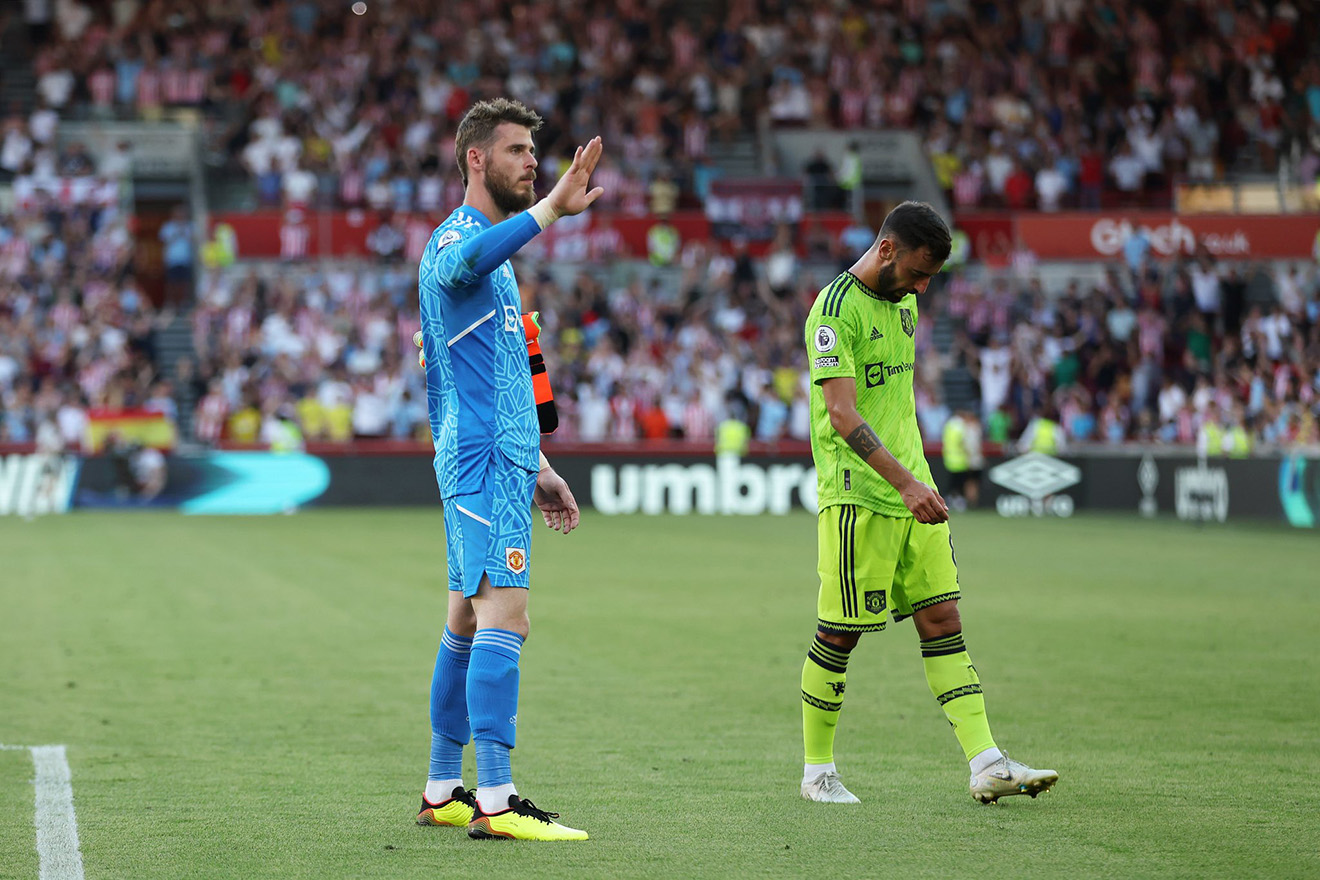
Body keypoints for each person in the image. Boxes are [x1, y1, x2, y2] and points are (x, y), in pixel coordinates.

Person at [799, 200, 1057, 806]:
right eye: (919, 272)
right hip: (862, 500)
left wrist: (919, 483)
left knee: (943, 622)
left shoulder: (907, 302)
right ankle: (817, 772)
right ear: (887, 249)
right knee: (839, 635)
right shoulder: (834, 312)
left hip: (918, 497)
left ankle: (987, 762)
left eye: (931, 278)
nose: (922, 286)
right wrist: (905, 484)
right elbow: (841, 415)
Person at [414, 98, 602, 841]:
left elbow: (501, 382)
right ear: (476, 159)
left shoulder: (489, 257)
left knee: (465, 620)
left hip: (500, 462)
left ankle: (442, 787)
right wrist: (554, 206)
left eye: (535, 151)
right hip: (482, 465)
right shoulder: (457, 242)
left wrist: (542, 468)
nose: (533, 161)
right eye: (519, 150)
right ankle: (497, 800)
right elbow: (462, 261)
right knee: (507, 618)